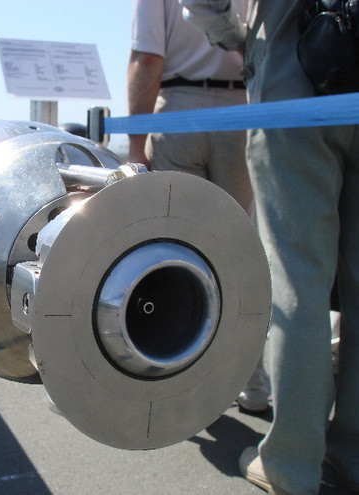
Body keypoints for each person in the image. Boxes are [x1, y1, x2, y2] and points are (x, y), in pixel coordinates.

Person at [180, 1, 359, 493]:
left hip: (295, 71)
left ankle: (291, 464)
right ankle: (353, 453)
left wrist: (236, 37)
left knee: (297, 278)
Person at [127, 0, 270, 413]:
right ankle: (250, 381)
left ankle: (183, 375)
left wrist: (136, 144)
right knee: (238, 253)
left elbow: (147, 59)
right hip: (243, 107)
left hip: (179, 109)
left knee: (177, 249)